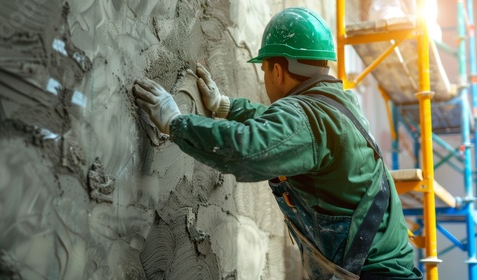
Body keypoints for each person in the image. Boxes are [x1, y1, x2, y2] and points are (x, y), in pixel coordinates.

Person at [133, 7, 422, 280]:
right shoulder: (337, 105)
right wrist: (226, 107)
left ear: (278, 72)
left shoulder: (308, 117)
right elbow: (292, 129)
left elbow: (246, 150)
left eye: (265, 70)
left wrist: (176, 123)